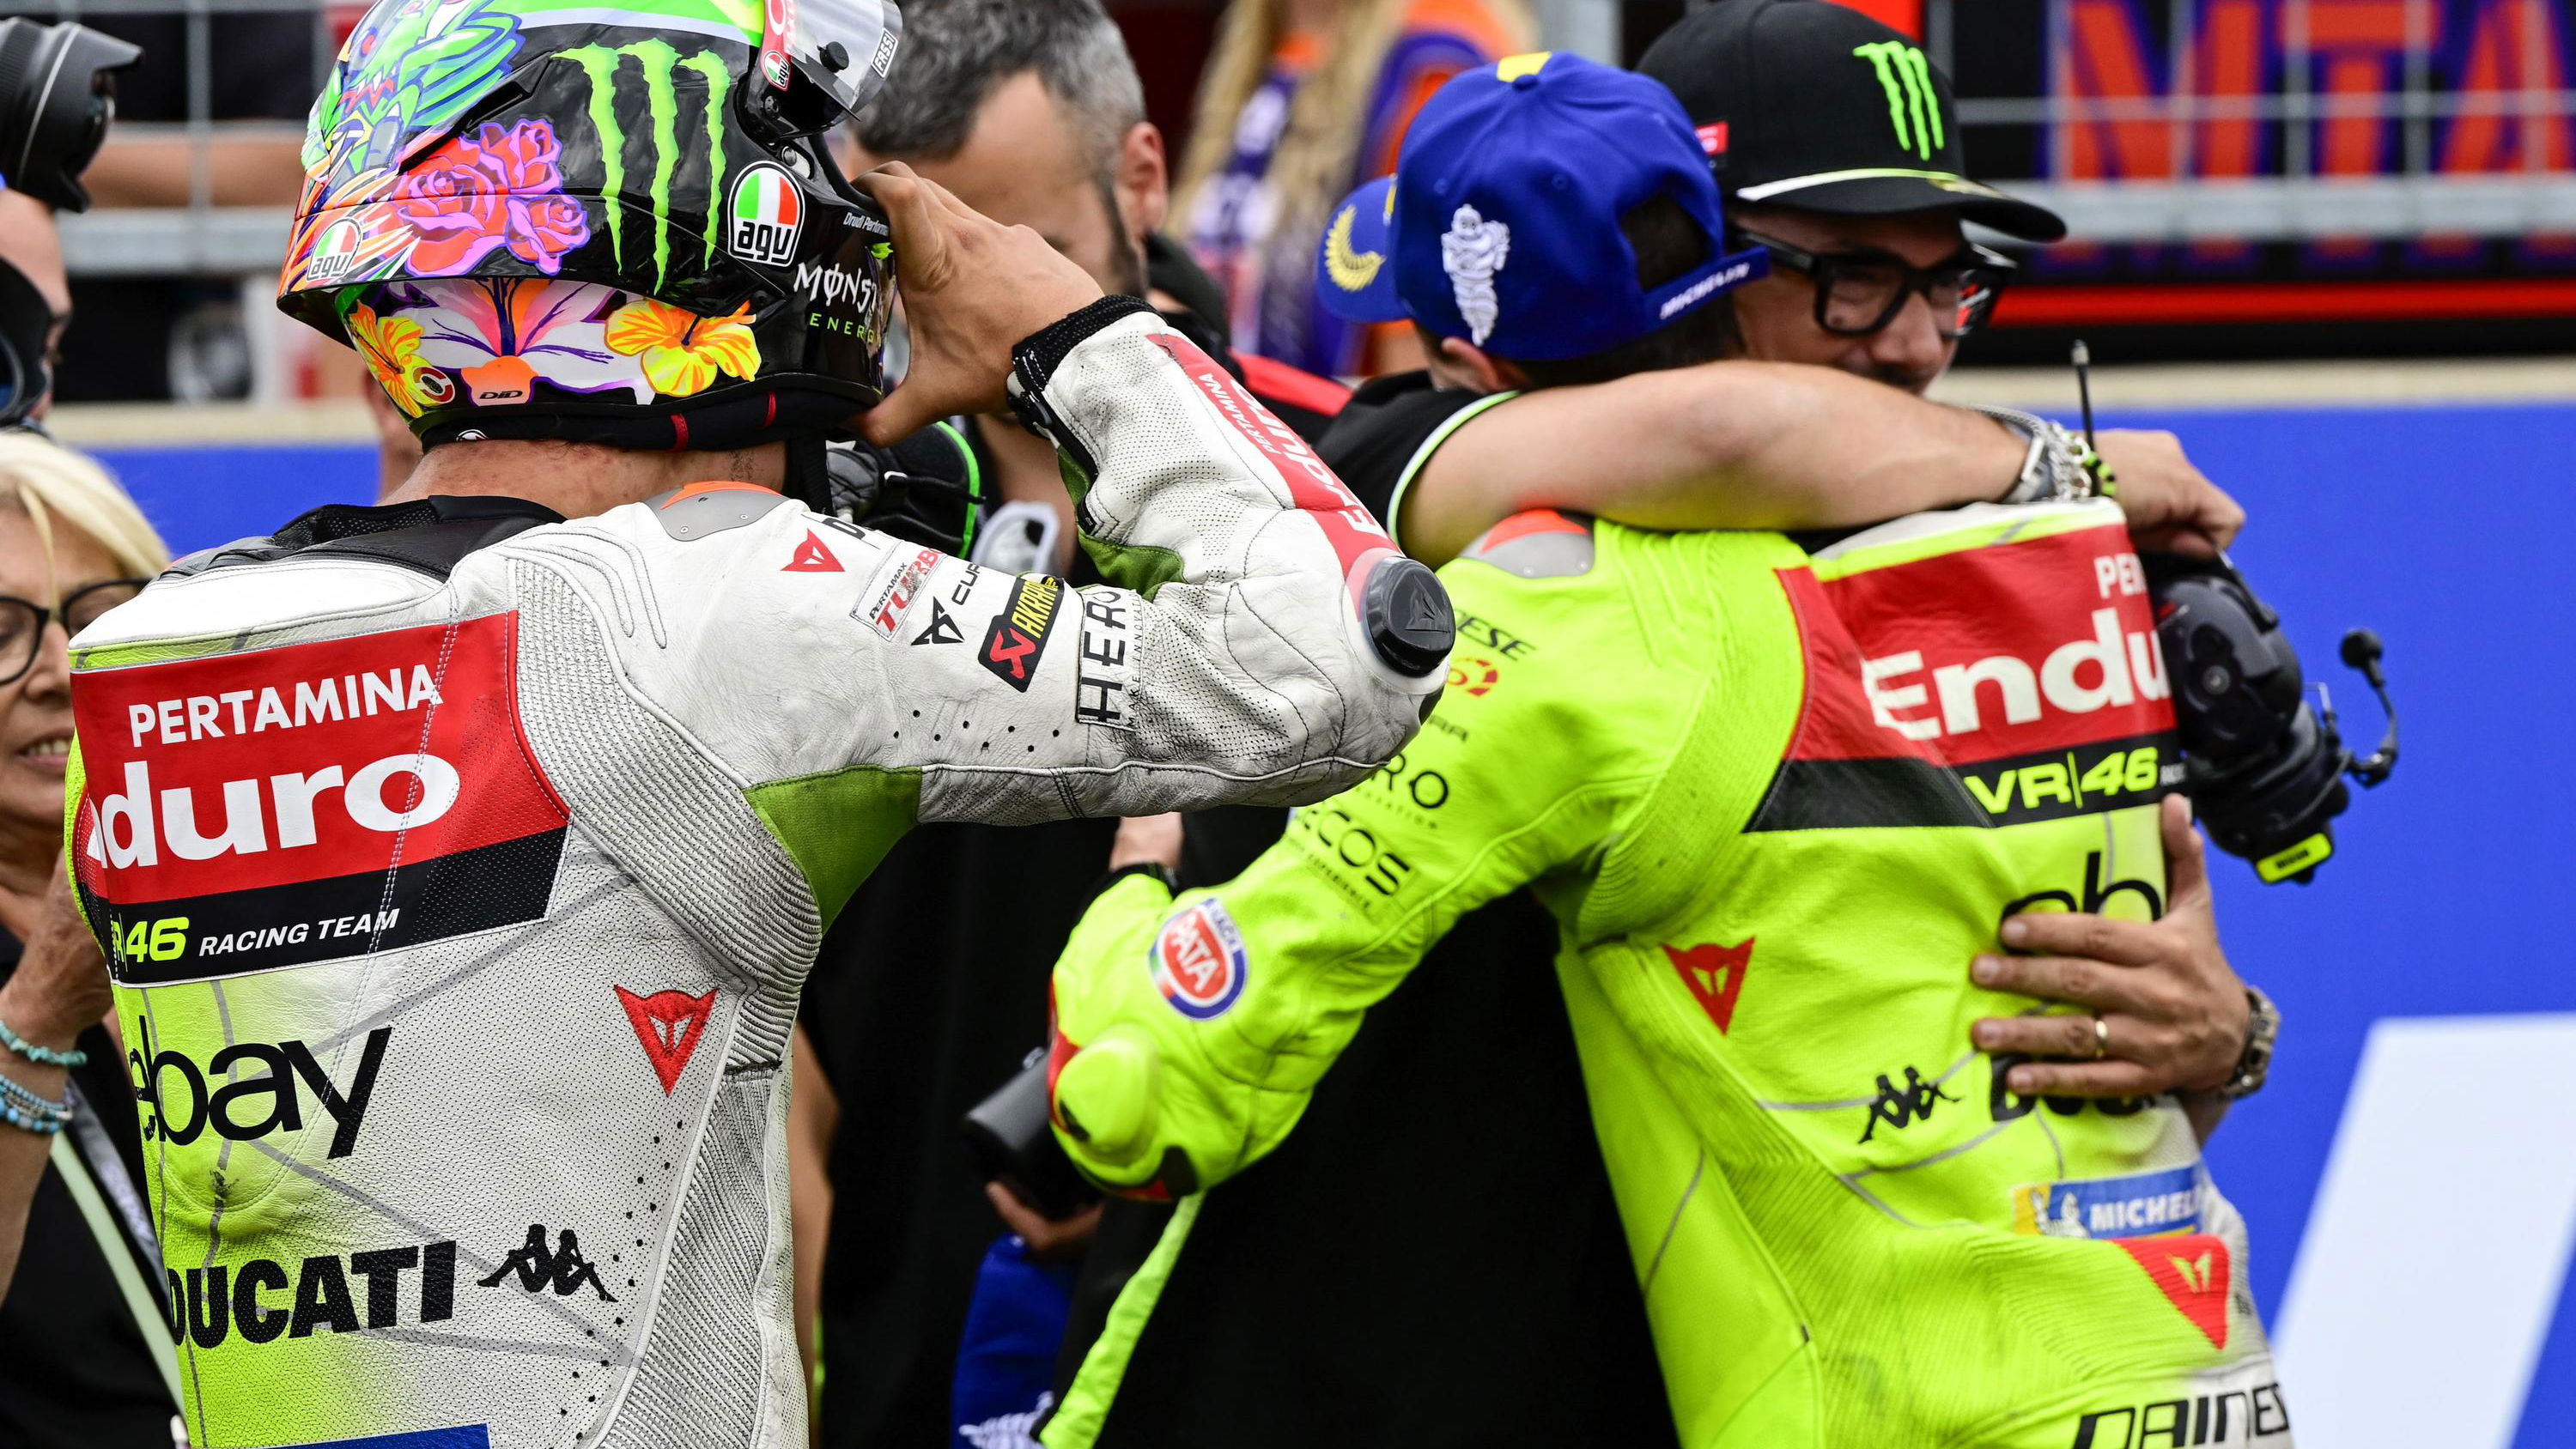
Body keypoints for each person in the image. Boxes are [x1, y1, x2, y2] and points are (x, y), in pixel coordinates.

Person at [52, 2, 1449, 1446]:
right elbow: (1332, 663)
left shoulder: (151, 651)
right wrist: (1071, 329)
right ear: (754, 241)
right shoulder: (719, 611)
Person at [1046, 41, 2289, 1449]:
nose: (1916, 340)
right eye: (1850, 273)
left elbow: (2047, 1108)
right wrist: (2065, 461)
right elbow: (1719, 430)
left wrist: (2217, 1037)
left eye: (1947, 278)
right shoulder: (1431, 470)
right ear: (1701, 260)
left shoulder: (1960, 574)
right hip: (1357, 1361)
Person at [0, 435, 176, 1448]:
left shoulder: (274, 911)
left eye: (104, 618)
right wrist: (40, 1006)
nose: (63, 672)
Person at [1177, 0, 1533, 376]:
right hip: (1233, 411)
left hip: (1335, 419)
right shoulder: (1253, 47)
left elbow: (1420, 355)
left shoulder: (1431, 58)